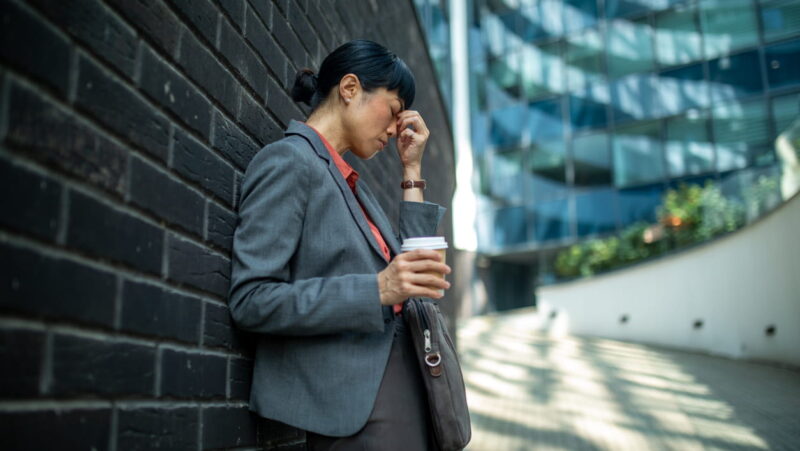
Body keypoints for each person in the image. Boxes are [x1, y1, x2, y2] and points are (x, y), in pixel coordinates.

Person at [228, 39, 451, 450]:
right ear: (350, 89)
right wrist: (378, 290)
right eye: (394, 110)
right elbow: (251, 299)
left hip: (403, 379)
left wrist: (413, 167)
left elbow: (414, 268)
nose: (395, 128)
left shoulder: (351, 184)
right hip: (354, 404)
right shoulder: (289, 161)